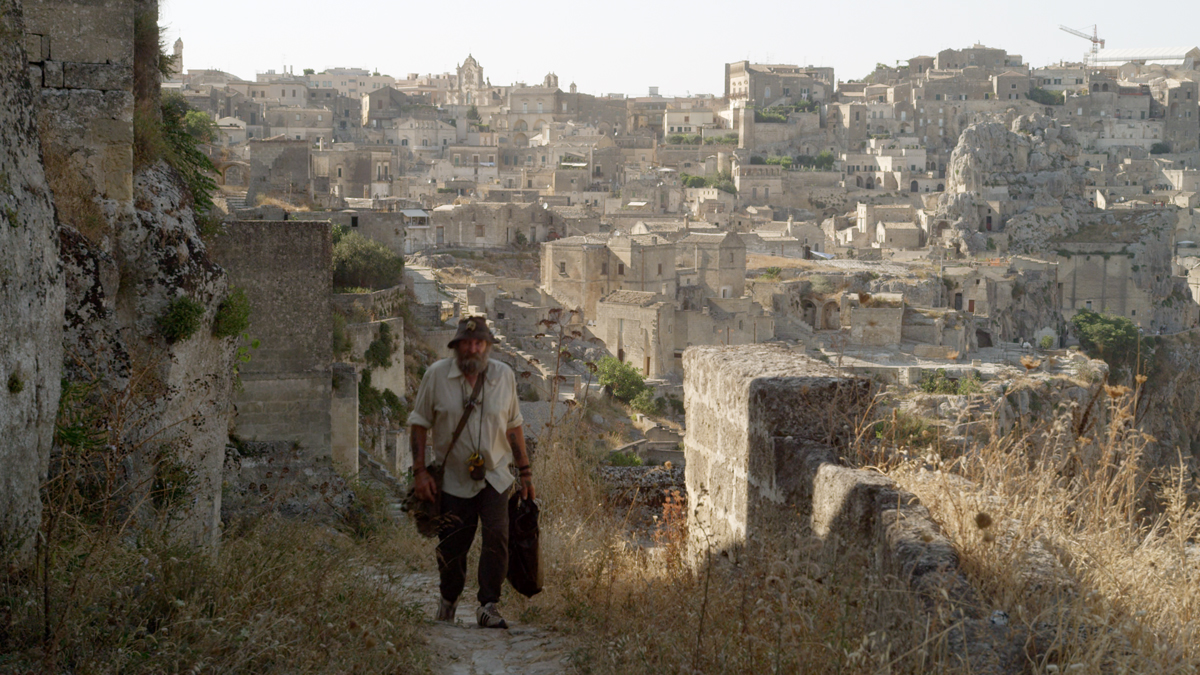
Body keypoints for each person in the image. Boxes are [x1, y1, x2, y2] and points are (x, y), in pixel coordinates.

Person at [409, 316, 534, 629]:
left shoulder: (504, 376)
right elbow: (419, 424)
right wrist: (420, 472)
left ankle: (488, 605)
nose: (473, 348)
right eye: (467, 342)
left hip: (495, 475)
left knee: (497, 536)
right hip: (452, 479)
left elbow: (514, 426)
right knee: (452, 548)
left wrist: (526, 472)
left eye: (479, 343)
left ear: (487, 347)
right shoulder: (436, 376)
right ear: (456, 346)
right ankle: (448, 601)